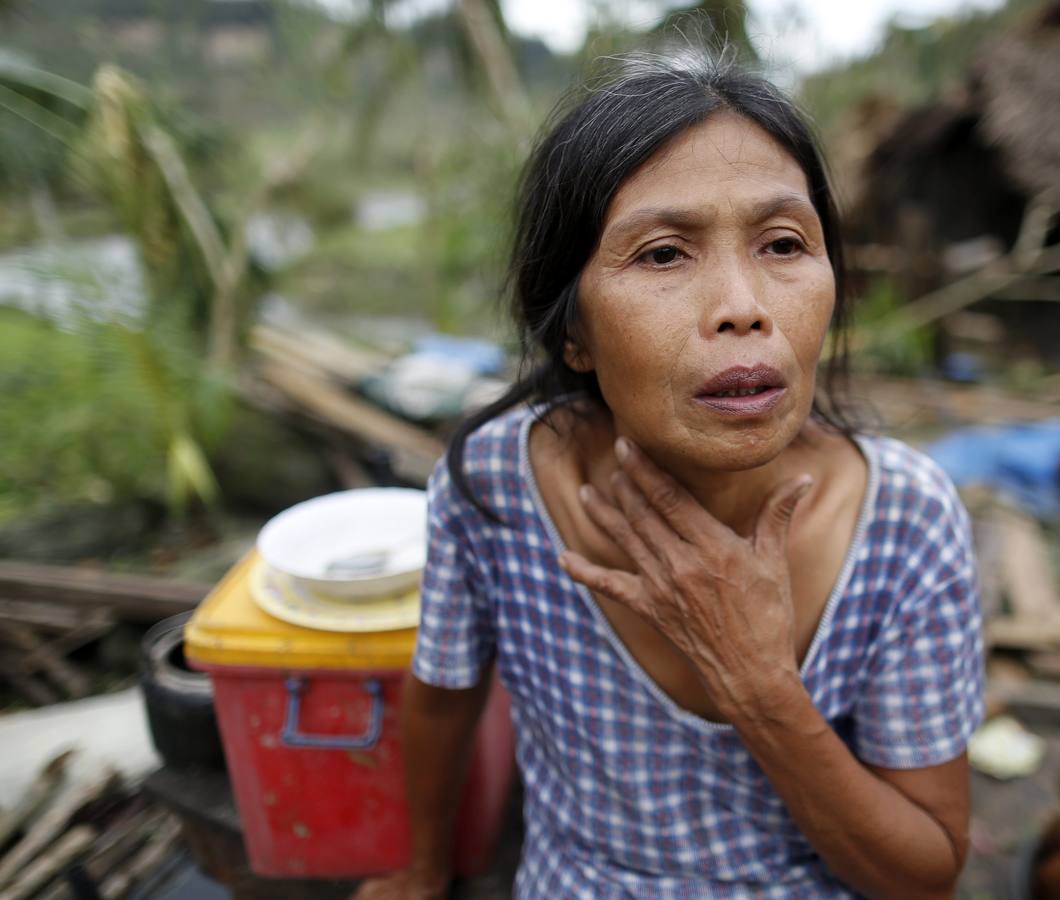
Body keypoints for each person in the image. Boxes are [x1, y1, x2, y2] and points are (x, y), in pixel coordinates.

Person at [354, 51, 984, 900]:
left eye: (785, 243)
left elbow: (925, 875)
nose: (742, 305)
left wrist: (760, 685)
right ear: (572, 331)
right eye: (661, 255)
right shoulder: (496, 485)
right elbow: (441, 698)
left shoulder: (906, 519)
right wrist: (417, 870)